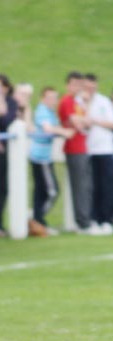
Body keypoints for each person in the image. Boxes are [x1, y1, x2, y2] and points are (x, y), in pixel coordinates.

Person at [29, 87, 73, 235]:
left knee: (41, 191)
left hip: (45, 157)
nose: (53, 101)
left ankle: (38, 220)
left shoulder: (49, 112)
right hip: (40, 158)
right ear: (43, 98)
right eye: (50, 98)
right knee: (52, 191)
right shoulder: (42, 111)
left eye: (55, 98)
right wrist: (64, 132)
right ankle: (36, 218)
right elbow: (48, 129)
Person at [57, 71, 93, 233]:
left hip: (82, 147)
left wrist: (84, 118)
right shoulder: (67, 101)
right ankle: (83, 222)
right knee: (79, 186)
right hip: (74, 148)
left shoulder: (78, 102)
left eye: (79, 84)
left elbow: (88, 122)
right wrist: (83, 121)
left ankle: (86, 219)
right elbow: (78, 124)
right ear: (68, 85)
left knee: (86, 185)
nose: (77, 87)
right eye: (74, 84)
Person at [82, 73, 113, 235]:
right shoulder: (80, 101)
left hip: (105, 149)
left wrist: (95, 121)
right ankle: (94, 219)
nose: (90, 89)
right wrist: (87, 107)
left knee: (106, 186)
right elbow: (83, 124)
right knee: (91, 186)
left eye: (93, 87)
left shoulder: (103, 101)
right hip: (88, 150)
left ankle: (106, 220)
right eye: (87, 87)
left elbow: (111, 123)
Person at [0, 74, 19, 236]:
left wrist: (0, 102)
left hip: (5, 152)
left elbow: (6, 122)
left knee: (2, 187)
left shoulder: (11, 103)